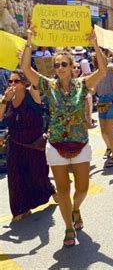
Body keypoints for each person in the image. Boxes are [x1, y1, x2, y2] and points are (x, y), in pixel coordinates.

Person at [20, 27, 107, 247]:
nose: (59, 68)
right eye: (56, 65)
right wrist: (29, 42)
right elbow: (25, 68)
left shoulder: (82, 84)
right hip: (56, 144)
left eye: (64, 64)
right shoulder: (48, 86)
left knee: (83, 188)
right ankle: (68, 227)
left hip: (80, 143)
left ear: (72, 67)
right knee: (63, 190)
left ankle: (76, 208)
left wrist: (95, 45)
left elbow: (103, 70)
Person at [0, 70, 55, 221]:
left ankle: (49, 190)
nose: (12, 84)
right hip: (15, 144)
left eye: (16, 81)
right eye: (10, 81)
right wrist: (4, 100)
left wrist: (25, 60)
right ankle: (19, 209)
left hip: (33, 144)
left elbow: (37, 81)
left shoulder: (32, 94)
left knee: (37, 174)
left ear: (24, 83)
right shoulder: (8, 99)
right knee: (15, 177)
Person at [95, 51, 113, 167]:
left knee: (109, 131)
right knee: (103, 132)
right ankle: (109, 148)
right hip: (101, 102)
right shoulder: (96, 71)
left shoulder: (110, 66)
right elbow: (93, 89)